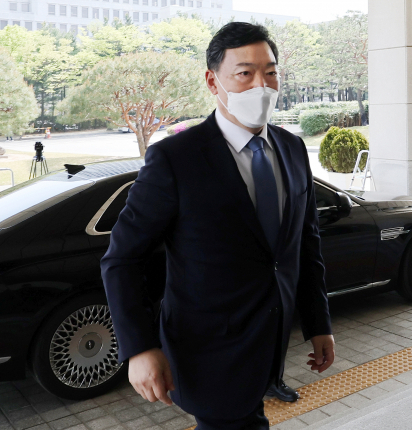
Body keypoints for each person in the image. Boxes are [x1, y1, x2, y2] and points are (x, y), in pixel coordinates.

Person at [101, 22, 335, 430]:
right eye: (245, 73)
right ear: (213, 81)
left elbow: (305, 243)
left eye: (271, 72)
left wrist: (318, 323)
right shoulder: (176, 158)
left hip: (271, 341)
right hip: (207, 352)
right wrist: (139, 348)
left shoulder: (293, 148)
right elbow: (122, 258)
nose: (261, 85)